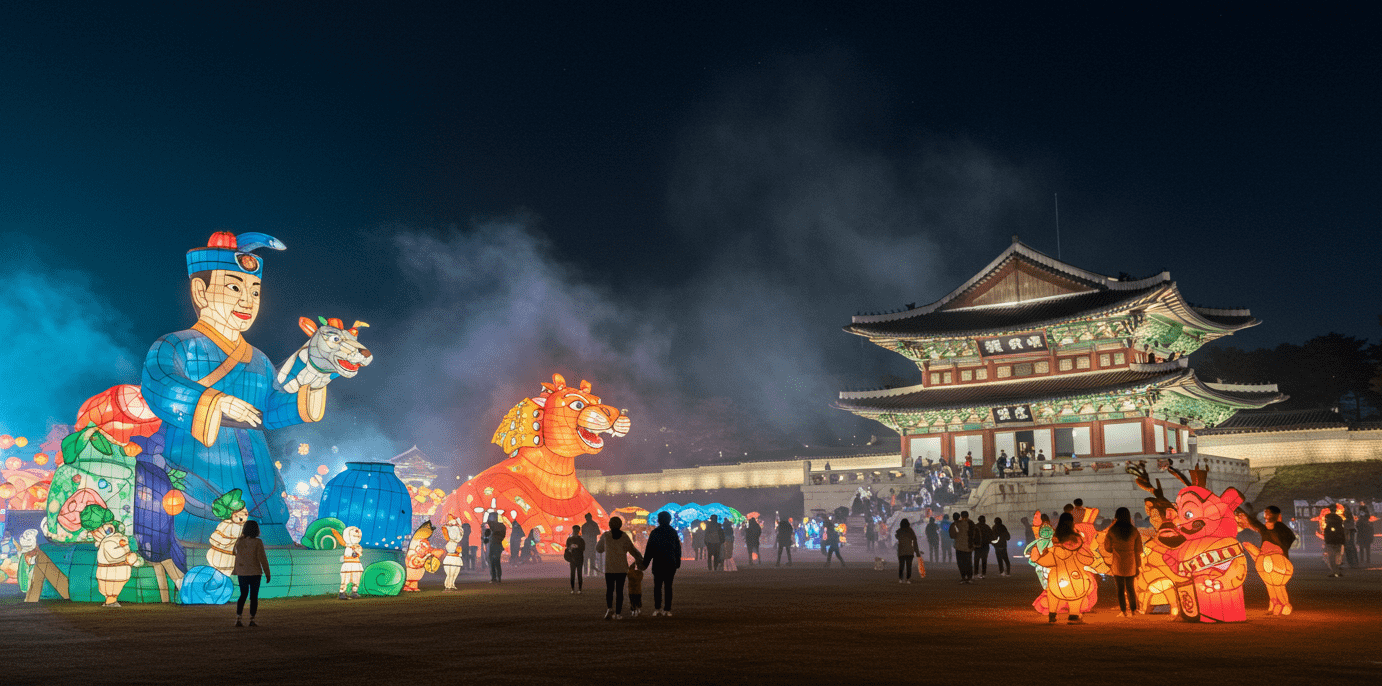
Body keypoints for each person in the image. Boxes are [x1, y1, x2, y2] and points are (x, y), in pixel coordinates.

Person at [595, 516, 643, 620]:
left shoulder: (606, 536)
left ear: (610, 525)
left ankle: (609, 609)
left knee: (609, 590)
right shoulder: (624, 536)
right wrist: (640, 558)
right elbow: (632, 550)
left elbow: (598, 549)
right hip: (622, 568)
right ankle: (618, 613)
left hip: (609, 568)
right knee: (619, 591)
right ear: (620, 525)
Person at [1101, 507, 1143, 618]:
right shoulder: (1134, 530)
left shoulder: (1113, 530)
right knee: (1130, 587)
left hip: (1118, 561)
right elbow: (1139, 549)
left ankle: (1123, 611)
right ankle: (1133, 610)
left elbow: (1107, 548)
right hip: (1131, 562)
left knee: (1120, 589)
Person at [641, 510, 682, 617]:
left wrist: (645, 564)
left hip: (658, 562)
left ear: (659, 520)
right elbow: (677, 549)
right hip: (670, 562)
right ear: (669, 520)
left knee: (657, 587)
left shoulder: (655, 532)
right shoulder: (673, 532)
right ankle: (667, 609)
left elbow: (649, 550)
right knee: (668, 587)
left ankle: (657, 608)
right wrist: (677, 561)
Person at [232, 519, 270, 627]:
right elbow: (262, 558)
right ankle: (252, 619)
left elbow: (234, 553)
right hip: (255, 572)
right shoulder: (258, 542)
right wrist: (267, 572)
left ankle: (238, 618)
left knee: (243, 595)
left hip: (242, 572)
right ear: (256, 530)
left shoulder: (239, 541)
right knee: (254, 596)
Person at [1322, 506, 1346, 577]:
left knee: (1331, 557)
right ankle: (1337, 571)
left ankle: (1334, 571)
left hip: (1330, 540)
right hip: (1338, 540)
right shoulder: (1339, 519)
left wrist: (1326, 541)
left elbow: (1327, 533)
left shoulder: (1328, 523)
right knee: (1338, 556)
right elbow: (1342, 531)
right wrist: (1343, 541)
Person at [895, 518, 921, 584]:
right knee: (909, 566)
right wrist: (917, 552)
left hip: (901, 551)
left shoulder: (899, 531)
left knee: (901, 566)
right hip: (909, 551)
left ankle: (900, 579)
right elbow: (915, 542)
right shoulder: (911, 531)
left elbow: (897, 536)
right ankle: (908, 579)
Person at [950, 512, 973, 583]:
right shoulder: (971, 523)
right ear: (968, 516)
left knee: (961, 563)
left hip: (959, 547)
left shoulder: (956, 524)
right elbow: (974, 534)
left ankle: (963, 577)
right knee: (968, 563)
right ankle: (969, 578)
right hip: (968, 547)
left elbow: (952, 535)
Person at [565, 524, 586, 594]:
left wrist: (576, 546)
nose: (575, 531)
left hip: (578, 558)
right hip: (573, 558)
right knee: (573, 574)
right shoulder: (578, 539)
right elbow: (567, 547)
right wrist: (571, 547)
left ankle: (578, 589)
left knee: (578, 574)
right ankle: (574, 589)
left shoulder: (579, 540)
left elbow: (583, 548)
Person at [487, 518, 506, 583]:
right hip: (497, 547)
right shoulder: (501, 527)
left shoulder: (495, 528)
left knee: (493, 562)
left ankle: (494, 578)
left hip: (494, 547)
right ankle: (498, 577)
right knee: (496, 562)